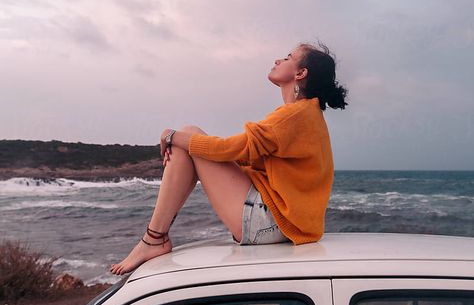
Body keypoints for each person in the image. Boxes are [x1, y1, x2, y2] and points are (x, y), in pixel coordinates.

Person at [110, 40, 348, 275]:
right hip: (286, 225)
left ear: (300, 73)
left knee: (187, 136)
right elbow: (245, 157)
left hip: (271, 224)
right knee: (188, 138)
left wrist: (171, 135)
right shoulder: (307, 115)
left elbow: (231, 149)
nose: (278, 60)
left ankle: (154, 239)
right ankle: (155, 238)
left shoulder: (294, 115)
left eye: (287, 57)